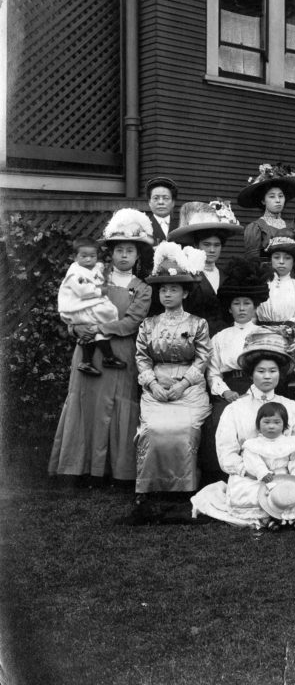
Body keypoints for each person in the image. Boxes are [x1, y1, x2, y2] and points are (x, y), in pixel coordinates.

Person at [49, 209, 154, 483]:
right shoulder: (93, 276)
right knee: (86, 402)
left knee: (115, 405)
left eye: (129, 251)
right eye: (119, 250)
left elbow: (131, 322)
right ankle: (79, 468)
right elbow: (72, 302)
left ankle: (113, 471)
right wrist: (75, 327)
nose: (123, 255)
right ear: (111, 253)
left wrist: (99, 328)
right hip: (88, 350)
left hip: (119, 352)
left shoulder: (143, 288)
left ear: (137, 256)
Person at [190, 329, 295, 525]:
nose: (267, 377)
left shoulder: (293, 408)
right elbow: (226, 454)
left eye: (273, 371)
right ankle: (276, 515)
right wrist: (253, 473)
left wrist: (289, 476)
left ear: (280, 373)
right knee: (248, 494)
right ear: (251, 374)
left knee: (290, 493)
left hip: (286, 476)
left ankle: (281, 509)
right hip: (249, 478)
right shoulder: (234, 410)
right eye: (261, 371)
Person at [134, 242, 212, 499]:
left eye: (174, 289)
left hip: (188, 387)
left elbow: (202, 358)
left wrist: (182, 385)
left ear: (185, 293)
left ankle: (184, 487)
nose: (167, 294)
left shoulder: (198, 324)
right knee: (154, 430)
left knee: (185, 429)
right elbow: (142, 358)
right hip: (157, 386)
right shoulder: (148, 324)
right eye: (164, 289)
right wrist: (153, 385)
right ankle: (151, 487)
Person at [201, 258, 270, 484]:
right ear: (229, 308)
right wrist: (225, 393)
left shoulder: (264, 334)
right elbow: (213, 372)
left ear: (255, 306)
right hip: (230, 388)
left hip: (259, 386)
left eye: (247, 303)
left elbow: (270, 369)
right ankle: (220, 474)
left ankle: (262, 470)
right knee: (219, 417)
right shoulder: (220, 337)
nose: (242, 308)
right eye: (237, 304)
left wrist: (255, 390)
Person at [167, 200, 244, 334]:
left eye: (217, 245)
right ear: (197, 245)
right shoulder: (187, 276)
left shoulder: (227, 276)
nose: (212, 250)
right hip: (193, 339)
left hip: (224, 338)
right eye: (206, 244)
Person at [58, 236, 122, 375]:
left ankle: (90, 361)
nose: (88, 259)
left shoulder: (92, 267)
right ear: (75, 257)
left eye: (92, 256)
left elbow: (98, 273)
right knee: (103, 315)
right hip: (77, 307)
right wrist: (100, 291)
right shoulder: (75, 273)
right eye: (84, 256)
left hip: (85, 305)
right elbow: (83, 291)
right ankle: (105, 357)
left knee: (94, 329)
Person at [241, 402, 295, 529]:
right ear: (258, 425)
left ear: (284, 425)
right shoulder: (253, 444)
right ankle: (266, 519)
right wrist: (262, 473)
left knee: (289, 493)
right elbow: (253, 461)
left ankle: (293, 516)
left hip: (285, 476)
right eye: (266, 422)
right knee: (255, 494)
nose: (271, 426)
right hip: (264, 477)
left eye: (277, 422)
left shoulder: (291, 443)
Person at [237, 162, 295, 263]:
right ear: (263, 201)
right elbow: (253, 263)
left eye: (281, 196)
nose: (278, 200)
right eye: (272, 196)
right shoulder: (255, 228)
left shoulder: (294, 226)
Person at [255, 236, 295, 329]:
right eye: (276, 257)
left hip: (290, 338)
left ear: (293, 262)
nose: (281, 262)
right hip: (262, 337)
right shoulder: (260, 286)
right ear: (271, 260)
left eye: (287, 258)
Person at [141, 176, 178, 279]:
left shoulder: (181, 227)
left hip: (178, 283)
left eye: (165, 198)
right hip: (150, 284)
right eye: (156, 198)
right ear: (149, 202)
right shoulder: (142, 228)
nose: (161, 202)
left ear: (173, 202)